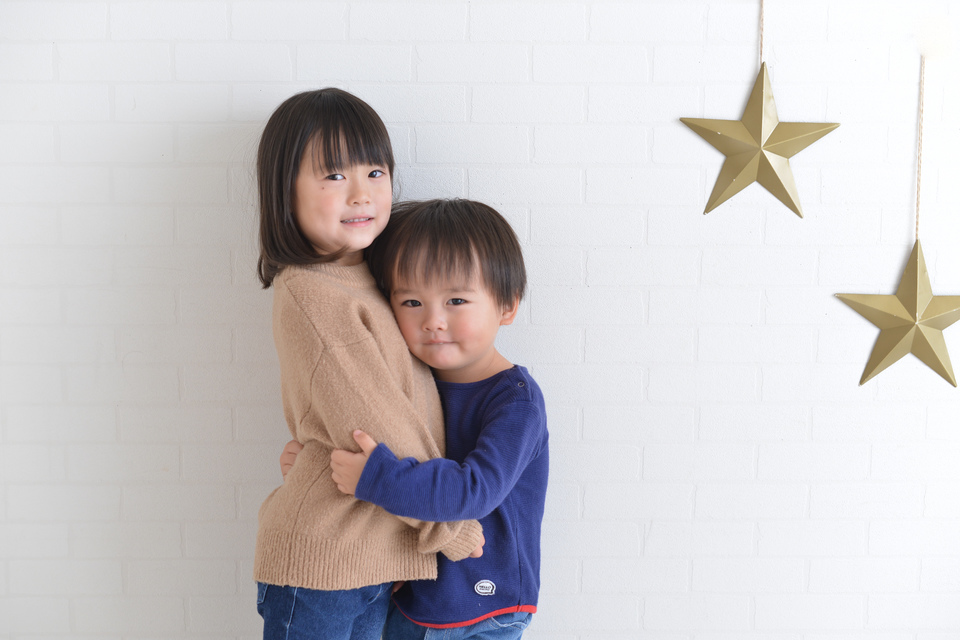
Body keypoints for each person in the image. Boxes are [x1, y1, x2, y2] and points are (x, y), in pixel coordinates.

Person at [253, 89, 484, 640]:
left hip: (369, 558)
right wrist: (445, 523)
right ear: (285, 192)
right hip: (324, 563)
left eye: (375, 171)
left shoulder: (370, 280)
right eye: (334, 175)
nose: (361, 193)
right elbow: (376, 424)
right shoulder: (314, 293)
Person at [287, 198, 549, 639]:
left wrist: (374, 477)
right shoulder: (410, 385)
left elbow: (473, 491)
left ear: (507, 305)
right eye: (411, 301)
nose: (433, 321)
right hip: (411, 597)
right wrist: (314, 467)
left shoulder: (515, 403)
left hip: (482, 609)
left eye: (456, 300)